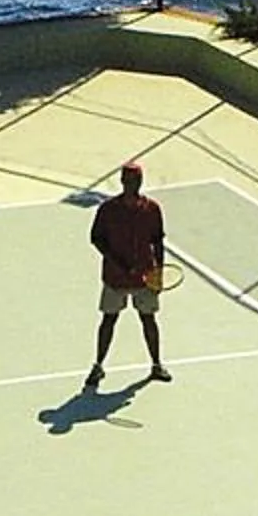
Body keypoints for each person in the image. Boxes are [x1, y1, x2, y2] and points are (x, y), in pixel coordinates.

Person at [86, 159, 169, 388]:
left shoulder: (152, 209)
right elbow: (96, 238)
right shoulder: (108, 209)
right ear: (122, 181)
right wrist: (116, 261)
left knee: (148, 319)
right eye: (129, 179)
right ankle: (98, 367)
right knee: (109, 320)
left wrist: (158, 273)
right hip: (115, 278)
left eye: (137, 180)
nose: (133, 183)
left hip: (144, 276)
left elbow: (158, 242)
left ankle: (156, 365)